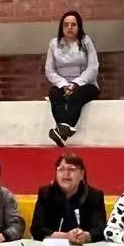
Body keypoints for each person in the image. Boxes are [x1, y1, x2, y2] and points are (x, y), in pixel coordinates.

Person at [44, 11, 100, 147]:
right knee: (54, 94)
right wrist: (64, 84)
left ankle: (62, 129)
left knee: (75, 95)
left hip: (86, 84)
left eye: (73, 25)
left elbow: (93, 67)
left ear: (79, 27)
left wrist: (75, 84)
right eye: (66, 25)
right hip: (62, 84)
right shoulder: (54, 44)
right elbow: (50, 70)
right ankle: (65, 129)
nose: (70, 27)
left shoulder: (86, 41)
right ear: (61, 27)